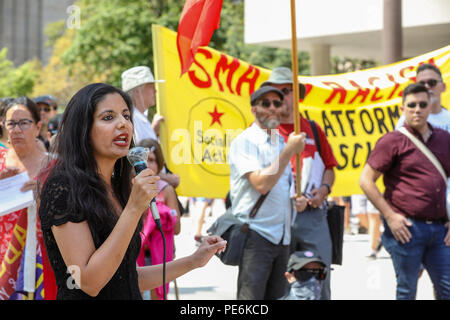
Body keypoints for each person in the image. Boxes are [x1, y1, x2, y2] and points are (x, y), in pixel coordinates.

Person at [37, 83, 226, 300]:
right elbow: (89, 282)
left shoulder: (118, 187)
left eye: (126, 116)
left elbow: (125, 277)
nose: (122, 124)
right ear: (83, 129)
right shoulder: (64, 188)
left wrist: (194, 261)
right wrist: (134, 208)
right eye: (108, 117)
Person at [359, 83, 450, 300]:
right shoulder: (392, 141)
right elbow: (366, 180)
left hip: (440, 229)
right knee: (407, 290)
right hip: (407, 228)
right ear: (403, 109)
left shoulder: (445, 139)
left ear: (430, 107)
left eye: (422, 104)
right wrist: (390, 217)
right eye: (411, 105)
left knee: (447, 289)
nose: (417, 109)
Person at [261, 67, 338, 300]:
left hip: (312, 216)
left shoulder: (313, 128)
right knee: (278, 281)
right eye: (274, 92)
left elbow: (329, 168)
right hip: (275, 215)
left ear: (297, 95)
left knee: (318, 275)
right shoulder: (263, 132)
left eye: (285, 91)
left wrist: (323, 191)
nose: (279, 97)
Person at [229, 85, 307, 300]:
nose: (273, 108)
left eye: (277, 103)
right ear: (254, 109)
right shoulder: (244, 142)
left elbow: (281, 186)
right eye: (266, 103)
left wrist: (297, 201)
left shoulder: (279, 141)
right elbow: (261, 183)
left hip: (282, 237)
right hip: (257, 234)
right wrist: (289, 151)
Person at [0, 97, 55, 299]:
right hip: (4, 262)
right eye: (11, 123)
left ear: (38, 126)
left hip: (45, 262)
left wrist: (46, 198)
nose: (16, 130)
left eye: (24, 123)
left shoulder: (57, 167)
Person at [136, 138, 181, 300]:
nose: (148, 165)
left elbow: (177, 229)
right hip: (137, 253)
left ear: (160, 163)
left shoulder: (166, 190)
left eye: (153, 160)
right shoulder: (131, 188)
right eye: (144, 160)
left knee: (158, 293)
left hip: (160, 255)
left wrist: (163, 214)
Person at [395, 63, 449, 132]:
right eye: (421, 84)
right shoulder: (407, 119)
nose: (426, 87)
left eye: (432, 82)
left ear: (443, 87)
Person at [351, 194, 382, 259]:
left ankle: (373, 250)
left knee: (373, 214)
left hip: (375, 186)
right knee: (358, 212)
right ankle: (380, 236)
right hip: (357, 187)